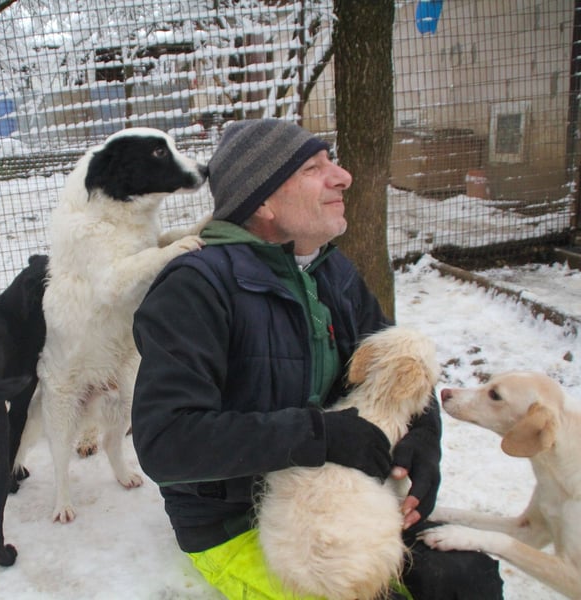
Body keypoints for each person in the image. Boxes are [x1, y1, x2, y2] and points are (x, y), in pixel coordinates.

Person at [131, 119, 504, 600]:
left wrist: (424, 444)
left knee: (464, 579)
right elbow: (166, 443)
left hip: (346, 495)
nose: (343, 176)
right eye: (314, 167)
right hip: (237, 521)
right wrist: (320, 437)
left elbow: (399, 368)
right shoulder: (197, 288)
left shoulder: (331, 269)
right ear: (262, 202)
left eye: (333, 161)